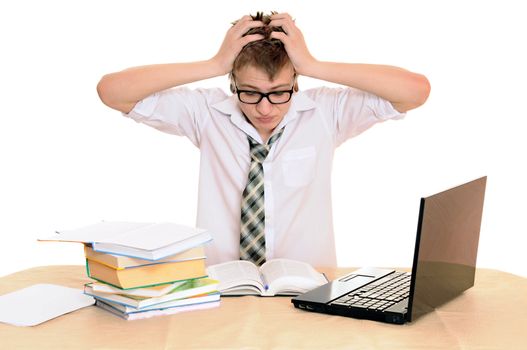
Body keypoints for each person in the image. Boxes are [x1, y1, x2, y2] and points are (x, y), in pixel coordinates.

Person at [97, 12, 430, 267]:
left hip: (309, 287)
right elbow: (112, 92)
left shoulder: (326, 113)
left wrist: (313, 63)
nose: (266, 108)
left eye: (279, 93)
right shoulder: (207, 112)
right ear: (232, 82)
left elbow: (415, 91)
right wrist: (214, 63)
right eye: (251, 93)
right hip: (222, 286)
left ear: (295, 82)